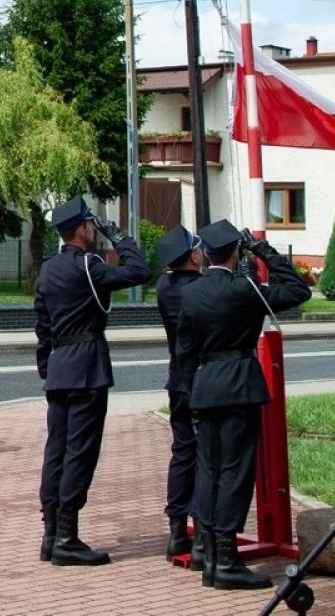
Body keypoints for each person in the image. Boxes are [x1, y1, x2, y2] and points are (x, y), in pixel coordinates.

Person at [177, 220, 311, 591]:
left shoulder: (191, 294)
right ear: (235, 253)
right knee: (235, 473)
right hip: (238, 387)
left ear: (204, 253)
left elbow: (184, 353)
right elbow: (298, 290)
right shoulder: (246, 288)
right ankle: (227, 560)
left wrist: (191, 395)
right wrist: (263, 249)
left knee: (208, 471)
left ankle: (207, 551)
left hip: (206, 387)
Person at [33, 195, 151, 566]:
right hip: (86, 368)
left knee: (56, 452)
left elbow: (43, 327)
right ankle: (67, 537)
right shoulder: (90, 267)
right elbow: (139, 272)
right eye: (91, 225)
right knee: (80, 453)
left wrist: (47, 369)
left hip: (59, 369)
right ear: (84, 228)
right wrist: (120, 237)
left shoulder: (48, 270)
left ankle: (51, 535)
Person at [153, 224, 203, 565]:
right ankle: (201, 530)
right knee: (206, 458)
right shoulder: (201, 288)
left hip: (177, 380)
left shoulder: (163, 287)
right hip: (203, 380)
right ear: (193, 256)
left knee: (182, 453)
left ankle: (175, 531)